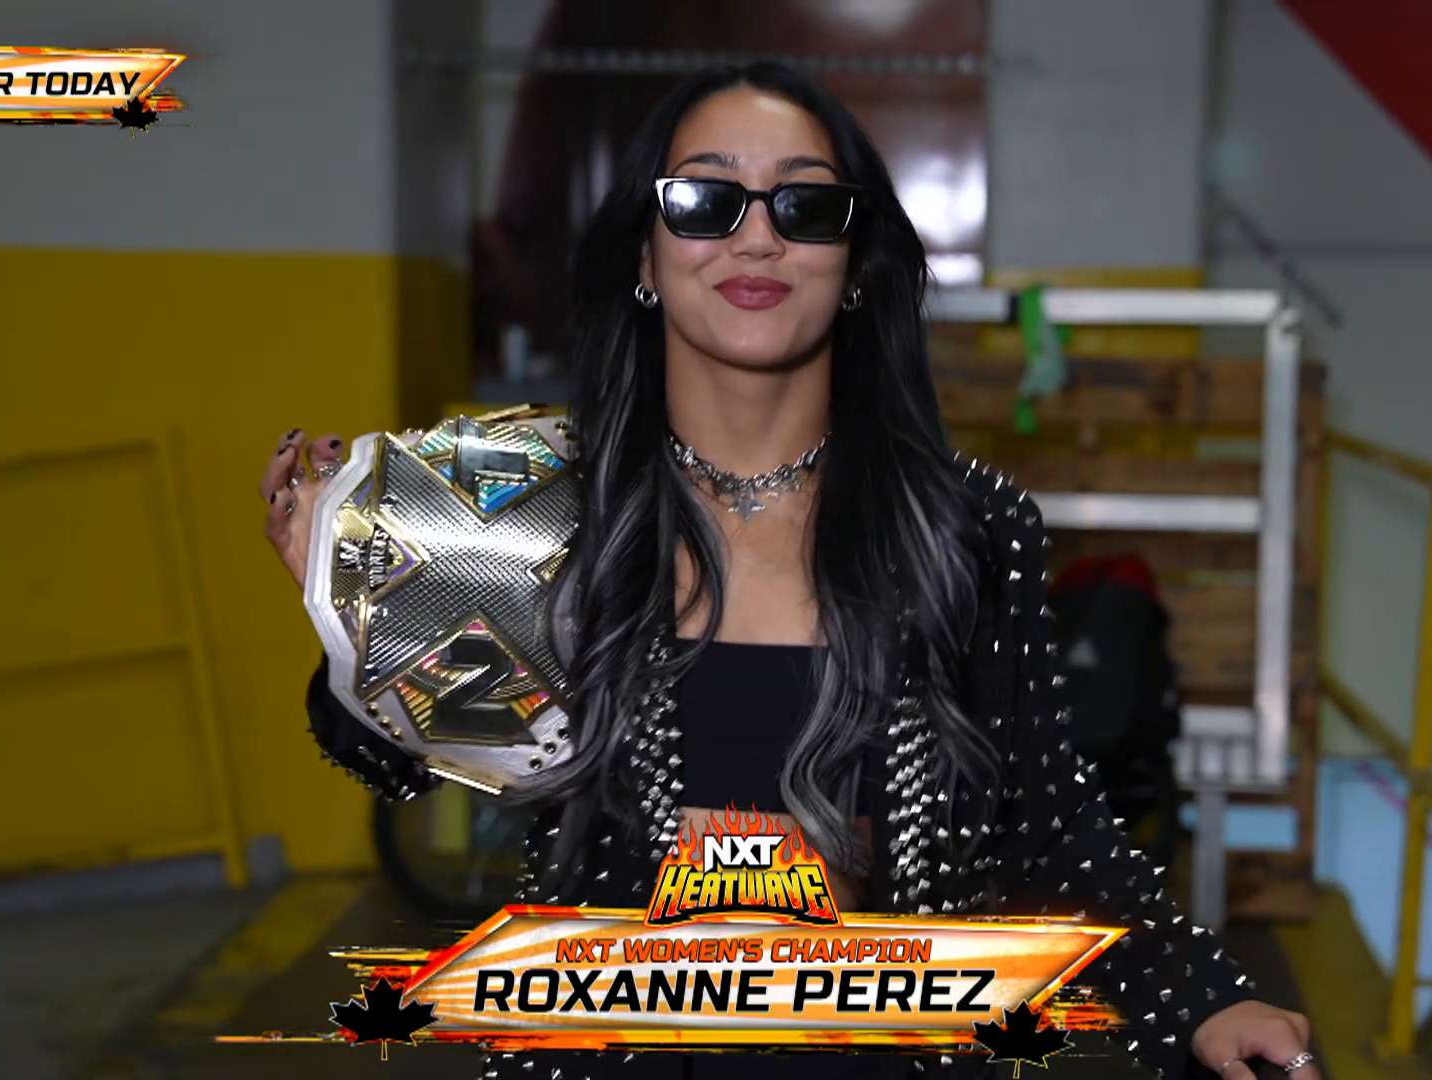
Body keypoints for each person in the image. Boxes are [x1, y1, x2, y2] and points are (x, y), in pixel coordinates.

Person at [260, 62, 1316, 1080]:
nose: (756, 235)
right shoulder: (543, 508)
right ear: (644, 255)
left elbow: (1049, 826)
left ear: (854, 265)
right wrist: (357, 617)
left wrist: (1203, 1004)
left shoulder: (965, 528)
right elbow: (394, 767)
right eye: (704, 199)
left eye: (806, 206)